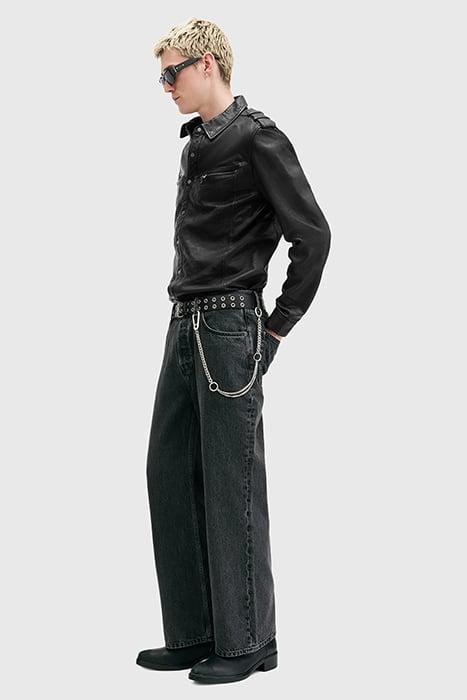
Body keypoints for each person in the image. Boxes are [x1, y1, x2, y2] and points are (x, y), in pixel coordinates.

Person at [136, 17, 331, 684]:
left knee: (230, 482)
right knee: (167, 471)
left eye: (172, 73)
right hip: (183, 322)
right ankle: (196, 632)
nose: (166, 86)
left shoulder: (257, 137)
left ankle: (248, 641)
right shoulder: (195, 144)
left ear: (207, 64)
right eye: (161, 76)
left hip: (227, 327)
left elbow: (313, 236)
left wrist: (275, 326)